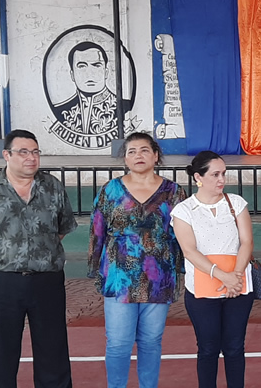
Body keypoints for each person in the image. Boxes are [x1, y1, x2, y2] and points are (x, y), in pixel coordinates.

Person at [0, 129, 77, 388]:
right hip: (2, 282)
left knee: (53, 347)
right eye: (23, 152)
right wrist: (1, 253)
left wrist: (38, 252)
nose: (31, 158)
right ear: (7, 155)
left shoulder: (53, 187)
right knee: (1, 349)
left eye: (35, 152)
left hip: (46, 280)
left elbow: (62, 229)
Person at [88, 132, 187, 388]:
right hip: (119, 276)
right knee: (119, 342)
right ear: (125, 158)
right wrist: (96, 269)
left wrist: (184, 270)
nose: (138, 155)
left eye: (144, 150)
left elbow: (185, 234)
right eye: (131, 151)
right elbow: (97, 230)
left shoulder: (173, 192)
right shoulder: (111, 190)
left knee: (151, 341)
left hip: (159, 276)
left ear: (155, 155)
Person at [172, 151, 255, 387]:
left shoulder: (236, 203)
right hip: (201, 290)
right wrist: (224, 277)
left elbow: (247, 242)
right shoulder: (184, 211)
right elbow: (189, 251)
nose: (222, 179)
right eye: (215, 174)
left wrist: (235, 277)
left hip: (238, 288)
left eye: (224, 174)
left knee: (235, 347)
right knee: (208, 348)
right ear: (199, 177)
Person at [54, 41, 118, 137]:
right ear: (72, 74)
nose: (90, 73)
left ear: (106, 72)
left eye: (96, 65)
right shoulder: (62, 111)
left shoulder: (124, 109)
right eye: (82, 66)